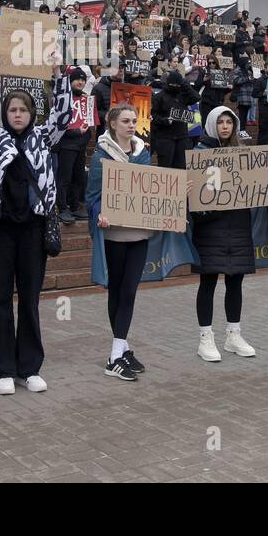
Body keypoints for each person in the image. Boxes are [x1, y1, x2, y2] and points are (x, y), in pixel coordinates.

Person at [0, 48, 71, 396]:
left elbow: (64, 114)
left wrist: (58, 74)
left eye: (23, 109)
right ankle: (5, 369)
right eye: (12, 109)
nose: (17, 114)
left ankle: (30, 367)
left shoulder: (43, 137)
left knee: (29, 299)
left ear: (30, 113)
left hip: (33, 230)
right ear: (6, 113)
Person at [86, 103, 153, 380]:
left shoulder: (143, 155)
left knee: (129, 291)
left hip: (138, 234)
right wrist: (99, 212)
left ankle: (119, 350)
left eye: (134, 120)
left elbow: (153, 192)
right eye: (125, 120)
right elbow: (91, 198)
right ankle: (117, 353)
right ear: (113, 124)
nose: (131, 124)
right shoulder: (101, 157)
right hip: (114, 233)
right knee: (117, 290)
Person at [192, 107, 259, 362]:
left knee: (235, 282)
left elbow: (255, 188)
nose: (225, 126)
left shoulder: (243, 154)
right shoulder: (200, 153)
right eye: (220, 122)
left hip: (238, 226)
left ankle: (234, 334)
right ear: (211, 124)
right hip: (210, 227)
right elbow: (195, 201)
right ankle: (205, 338)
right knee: (207, 282)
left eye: (229, 122)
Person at [54, 67, 93, 223]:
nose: (80, 82)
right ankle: (62, 208)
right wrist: (77, 132)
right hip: (66, 145)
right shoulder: (63, 99)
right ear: (70, 81)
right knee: (64, 178)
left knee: (78, 178)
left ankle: (75, 207)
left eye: (83, 79)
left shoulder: (87, 99)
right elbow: (60, 123)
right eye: (77, 79)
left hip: (81, 146)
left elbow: (90, 122)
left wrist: (85, 134)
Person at [150, 69, 196, 167]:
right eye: (173, 84)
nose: (175, 87)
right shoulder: (159, 97)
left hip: (181, 137)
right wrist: (165, 121)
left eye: (178, 85)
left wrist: (184, 83)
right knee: (165, 167)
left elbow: (196, 97)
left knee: (180, 167)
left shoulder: (182, 96)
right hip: (165, 138)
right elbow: (152, 116)